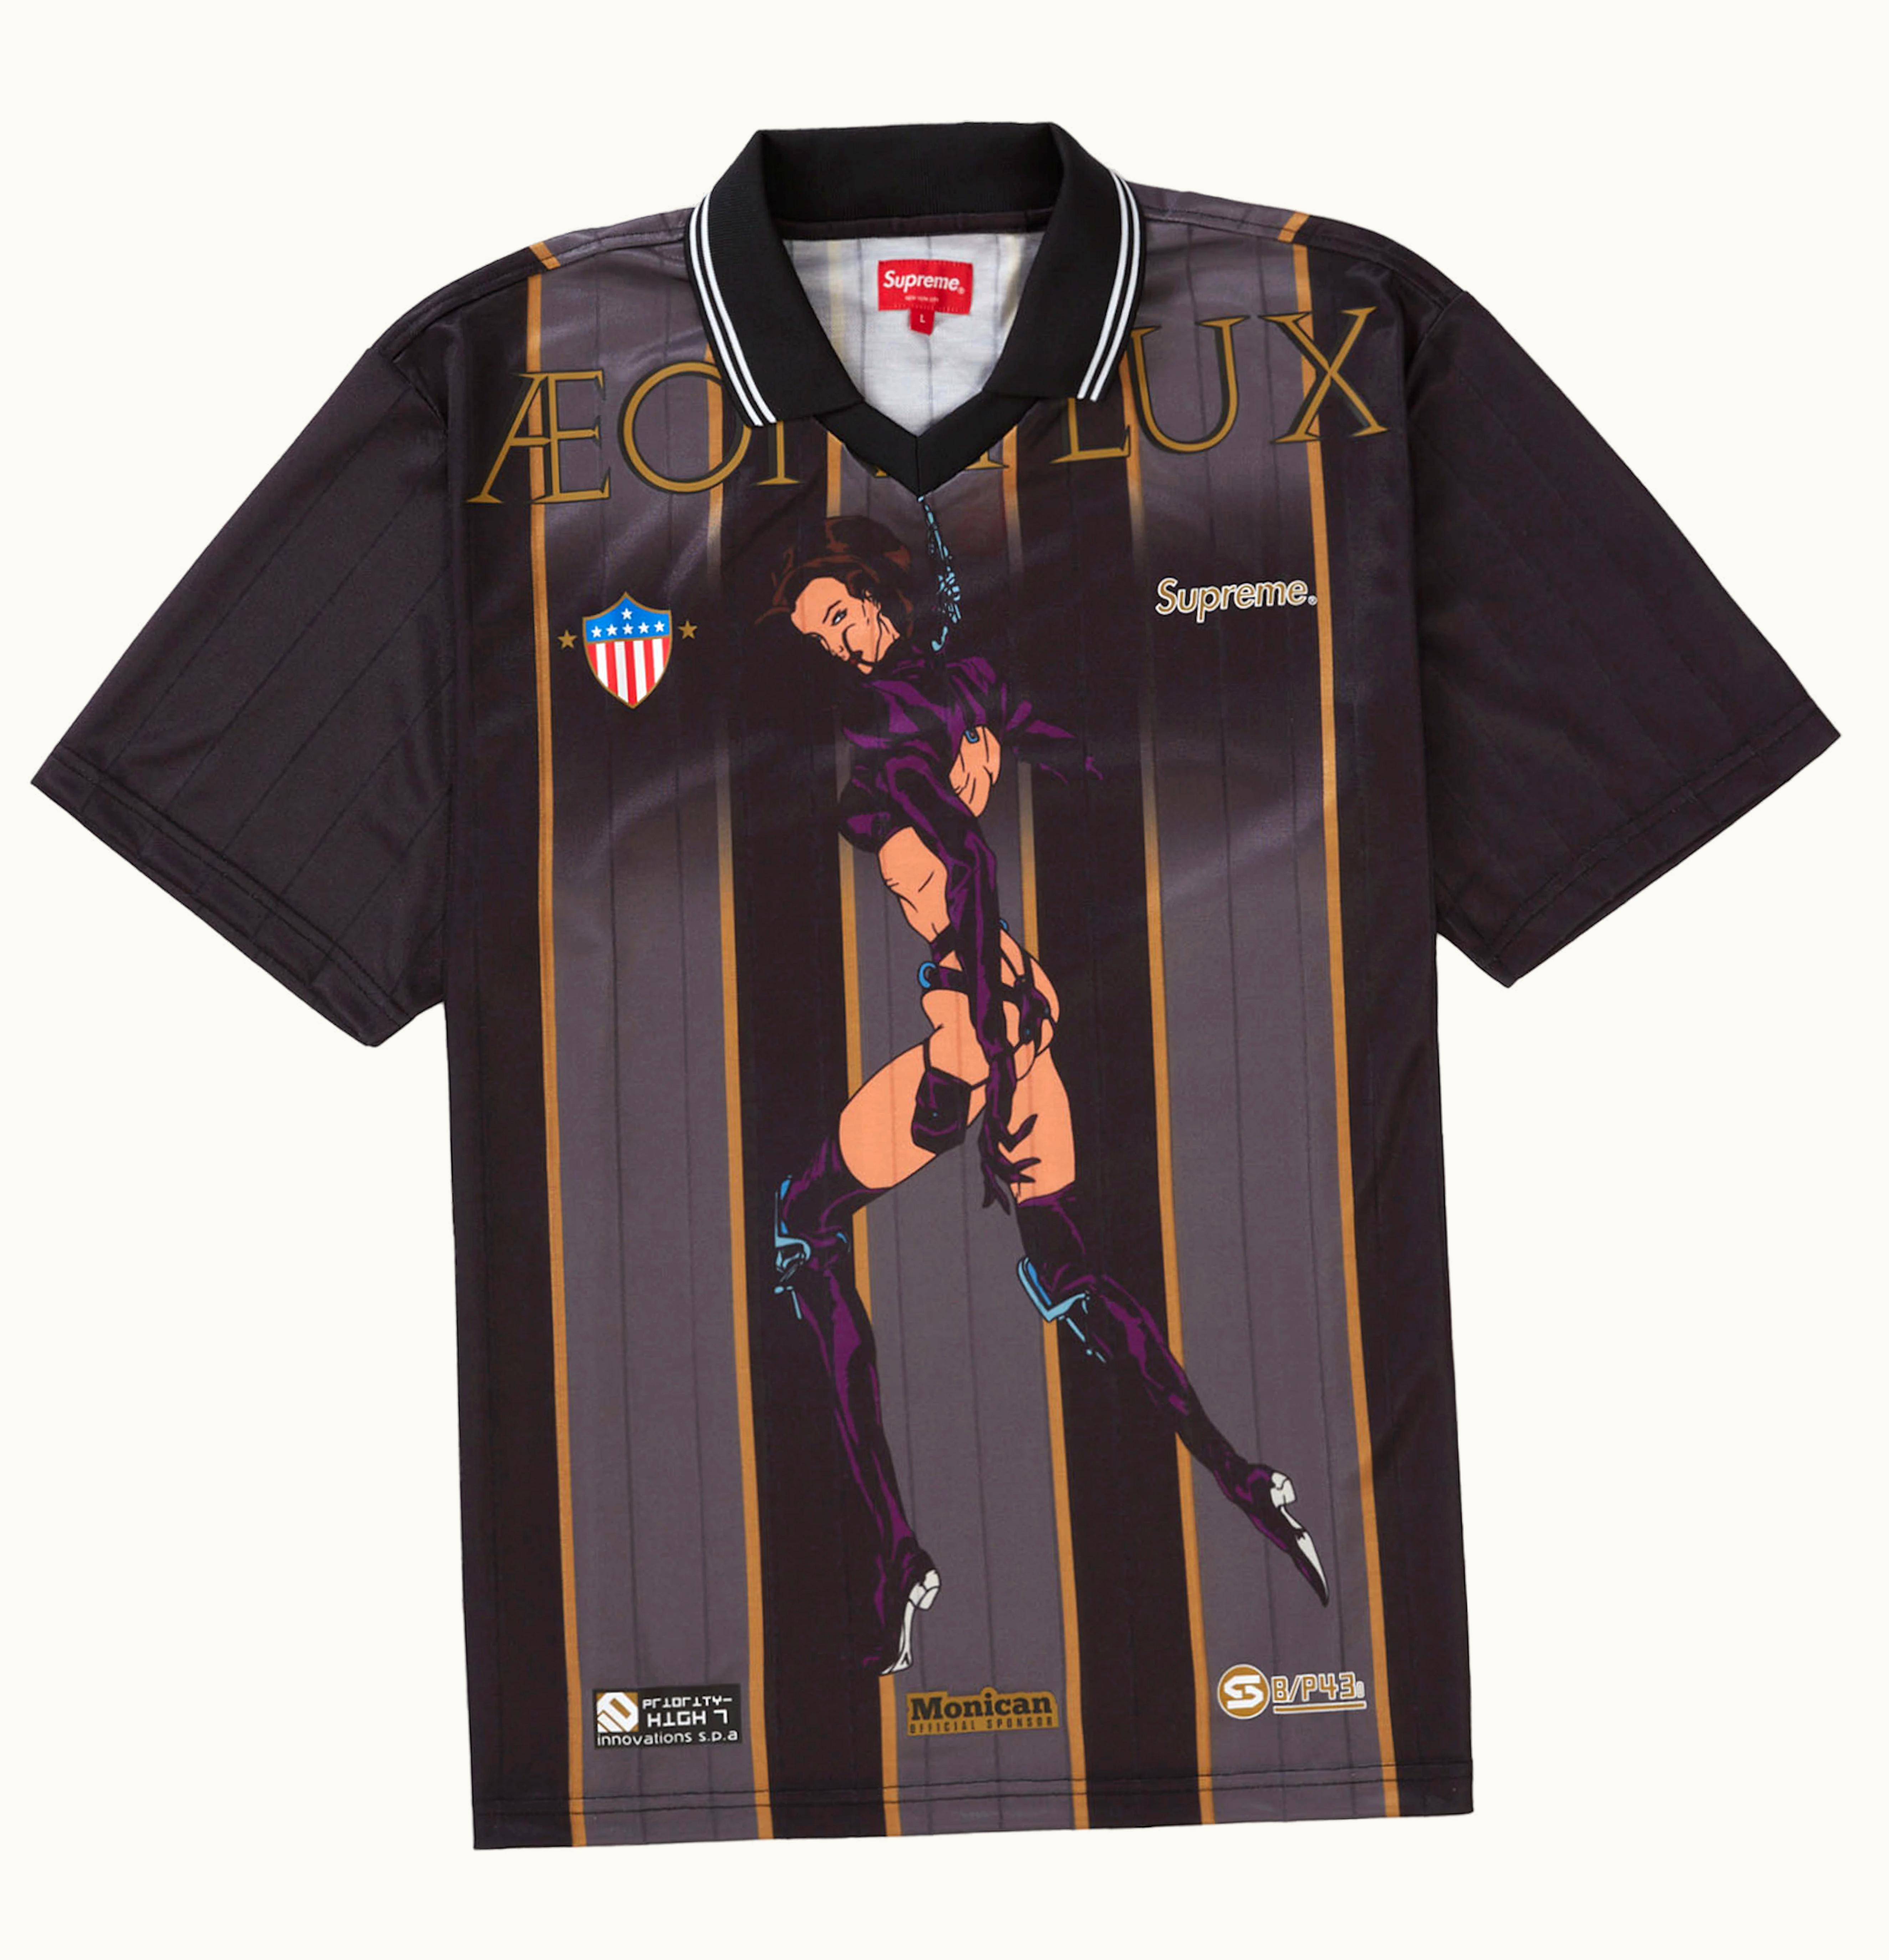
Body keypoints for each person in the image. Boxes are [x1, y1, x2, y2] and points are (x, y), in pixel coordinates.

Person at [765, 510, 1328, 1674]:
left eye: (839, 616)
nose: (837, 645)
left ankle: (895, 1554)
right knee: (1072, 1277)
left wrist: (979, 1048)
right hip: (1024, 1008)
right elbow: (1049, 741)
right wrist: (1059, 759)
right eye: (818, 636)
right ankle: (1244, 1476)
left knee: (799, 1229)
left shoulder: (875, 722)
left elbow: (966, 864)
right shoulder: (967, 685)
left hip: (974, 1019)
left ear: (874, 593)